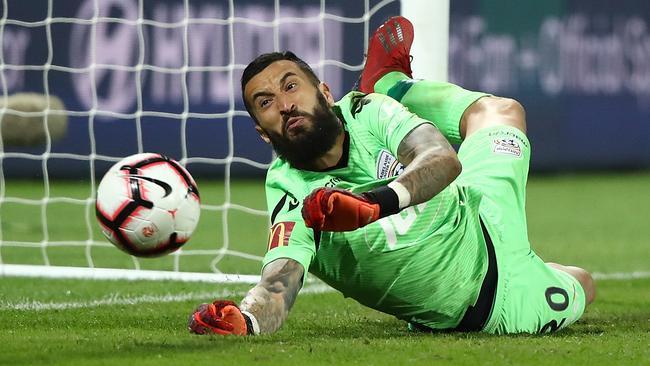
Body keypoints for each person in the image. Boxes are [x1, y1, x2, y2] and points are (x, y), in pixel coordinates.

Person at [187, 16, 595, 336]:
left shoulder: (368, 112)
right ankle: (530, 264)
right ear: (262, 132)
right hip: (499, 304)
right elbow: (279, 282)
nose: (285, 104)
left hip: (479, 206)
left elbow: (442, 159)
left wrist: (373, 204)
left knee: (502, 111)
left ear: (326, 94)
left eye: (291, 86)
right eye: (266, 102)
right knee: (583, 281)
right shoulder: (290, 191)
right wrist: (249, 319)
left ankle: (393, 85)